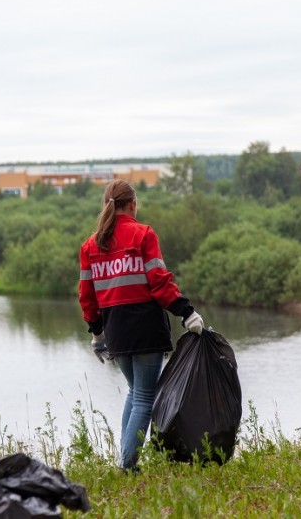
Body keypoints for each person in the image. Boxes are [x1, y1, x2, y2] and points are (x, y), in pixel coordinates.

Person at [78, 179, 204, 471]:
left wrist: (98, 334)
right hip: (146, 327)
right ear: (133, 204)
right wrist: (187, 313)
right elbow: (159, 283)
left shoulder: (90, 246)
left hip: (116, 333)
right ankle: (127, 466)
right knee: (145, 398)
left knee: (137, 393)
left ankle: (124, 459)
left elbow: (87, 296)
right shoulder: (143, 234)